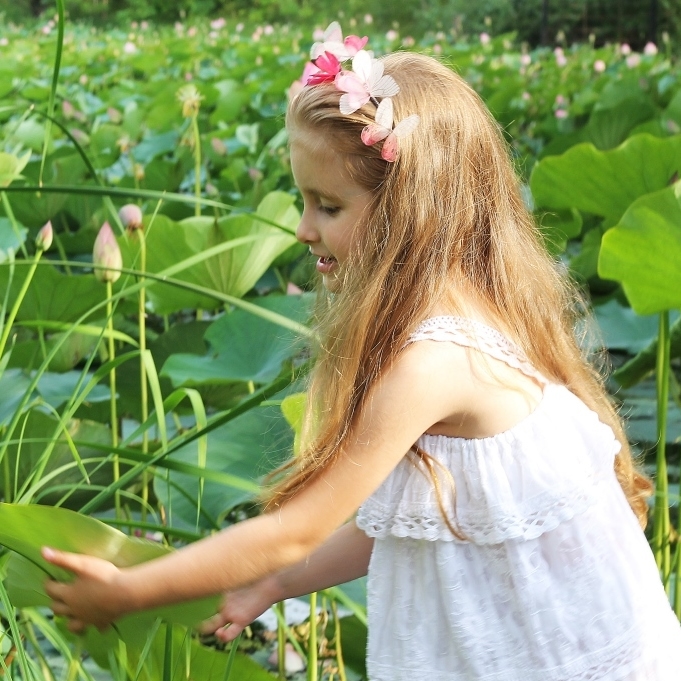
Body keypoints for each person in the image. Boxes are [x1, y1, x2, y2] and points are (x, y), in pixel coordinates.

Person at [44, 33, 681, 681]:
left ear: (410, 213)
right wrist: (274, 585)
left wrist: (129, 590)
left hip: (569, 658)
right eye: (303, 199)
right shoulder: (476, 313)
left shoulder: (433, 362)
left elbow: (294, 528)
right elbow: (410, 522)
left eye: (327, 205)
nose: (301, 227)